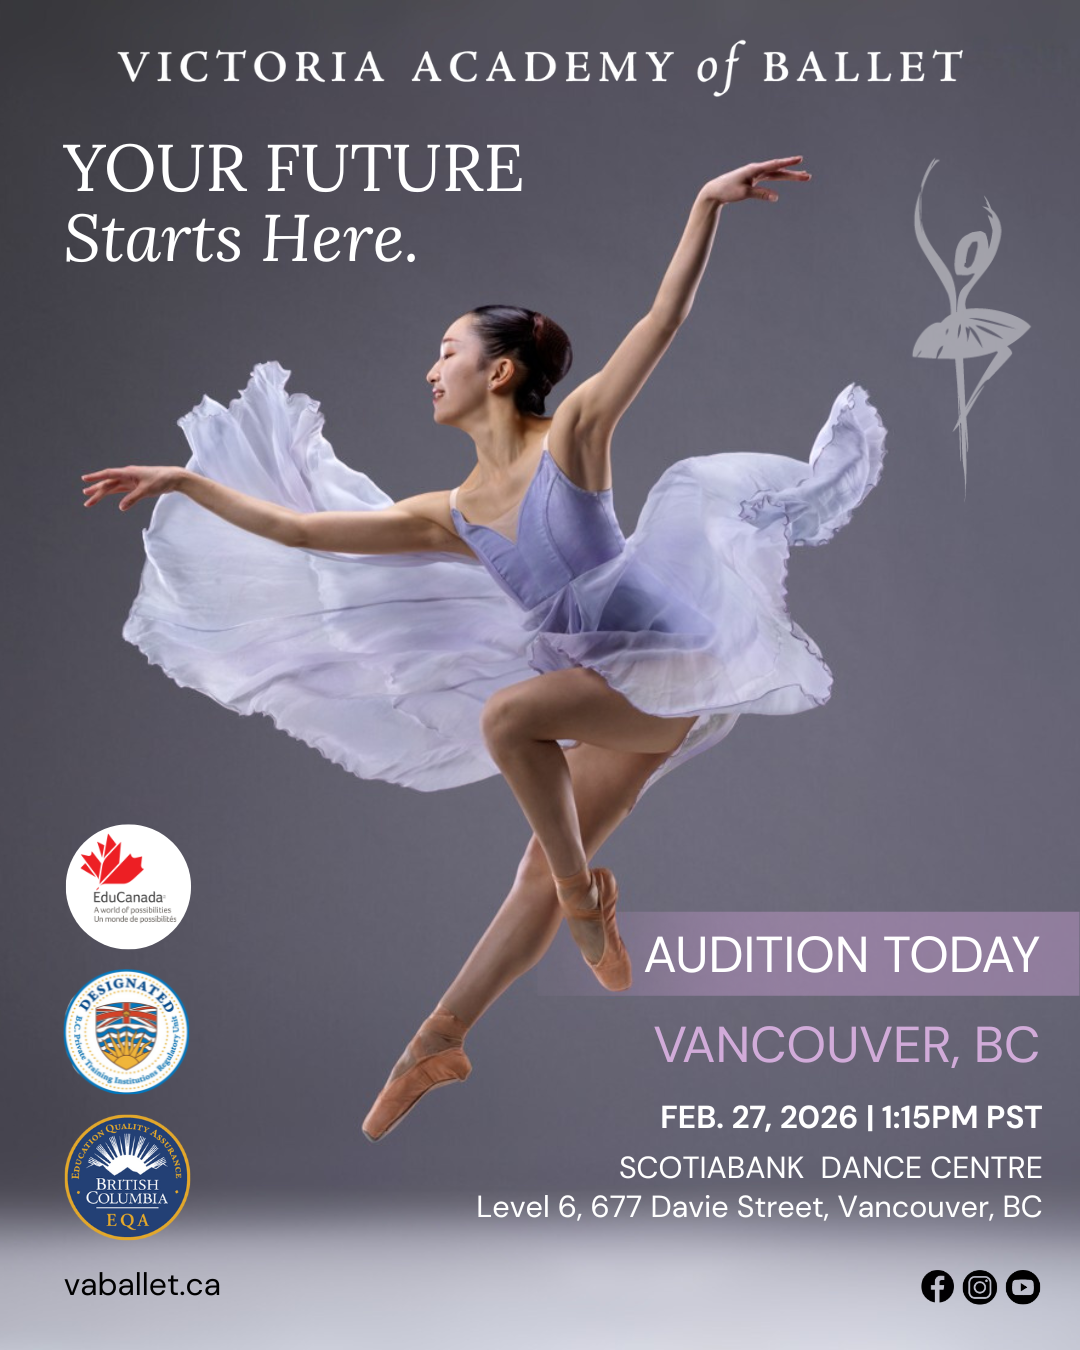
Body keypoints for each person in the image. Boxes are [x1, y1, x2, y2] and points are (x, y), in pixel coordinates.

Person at [83, 157, 886, 1140]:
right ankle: (439, 1040)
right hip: (600, 689)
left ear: (500, 371)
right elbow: (298, 533)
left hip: (669, 664)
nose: (432, 368)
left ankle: (584, 901)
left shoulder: (573, 437)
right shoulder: (449, 514)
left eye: (448, 351)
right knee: (530, 869)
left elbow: (660, 323)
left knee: (510, 722)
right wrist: (184, 484)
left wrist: (701, 207)